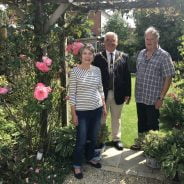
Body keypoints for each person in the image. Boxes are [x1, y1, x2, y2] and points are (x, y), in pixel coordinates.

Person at [130, 26, 175, 150]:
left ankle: (153, 149)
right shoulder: (141, 53)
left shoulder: (164, 56)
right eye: (146, 39)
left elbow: (168, 77)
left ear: (157, 40)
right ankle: (141, 143)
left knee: (153, 125)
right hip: (140, 96)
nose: (148, 41)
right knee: (142, 122)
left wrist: (161, 97)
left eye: (151, 39)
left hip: (154, 98)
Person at [69, 44, 107, 179]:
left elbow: (100, 88)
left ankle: (90, 157)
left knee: (94, 136)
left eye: (90, 54)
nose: (87, 56)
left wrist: (104, 105)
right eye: (85, 53)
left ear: (93, 56)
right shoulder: (75, 71)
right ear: (80, 55)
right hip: (82, 112)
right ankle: (77, 164)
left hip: (96, 109)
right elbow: (72, 94)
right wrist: (73, 114)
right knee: (81, 139)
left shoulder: (97, 70)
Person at [93, 32, 131, 150]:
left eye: (113, 40)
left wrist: (128, 93)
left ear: (117, 42)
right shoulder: (98, 57)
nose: (110, 42)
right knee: (101, 117)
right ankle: (101, 139)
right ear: (104, 43)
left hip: (118, 93)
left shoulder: (123, 56)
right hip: (102, 94)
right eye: (107, 40)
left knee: (116, 117)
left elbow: (127, 76)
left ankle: (116, 139)